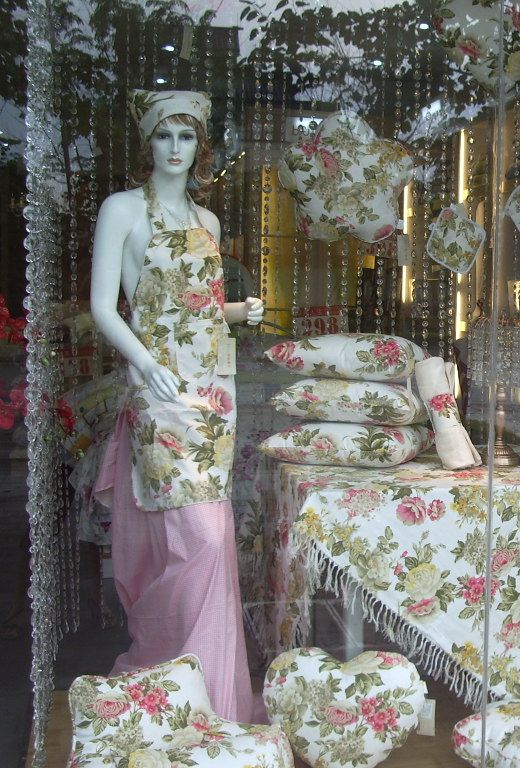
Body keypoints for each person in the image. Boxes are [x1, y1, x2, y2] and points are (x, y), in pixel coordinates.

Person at [90, 90, 264, 722]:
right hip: (159, 393)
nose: (174, 148)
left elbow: (198, 309)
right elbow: (105, 307)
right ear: (149, 141)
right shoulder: (122, 209)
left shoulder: (207, 223)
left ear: (200, 146)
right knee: (201, 540)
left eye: (186, 137)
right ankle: (176, 678)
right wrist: (145, 363)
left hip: (213, 392)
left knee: (210, 535)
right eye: (164, 135)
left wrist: (239, 311)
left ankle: (210, 696)